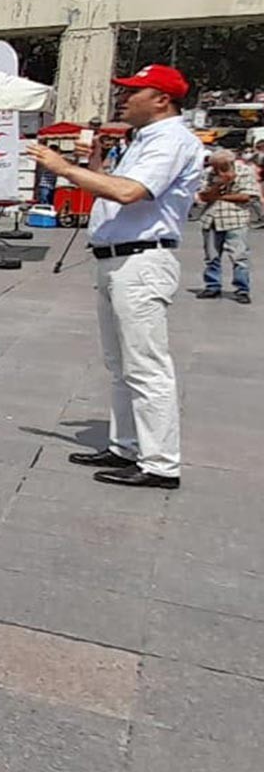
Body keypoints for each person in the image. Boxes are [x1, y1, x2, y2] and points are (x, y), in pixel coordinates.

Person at [27, 65, 203, 491]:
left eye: (132, 92)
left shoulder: (172, 140)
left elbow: (129, 193)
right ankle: (125, 444)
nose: (122, 99)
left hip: (141, 261)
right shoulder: (145, 140)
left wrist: (63, 168)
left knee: (146, 366)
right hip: (117, 258)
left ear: (162, 98)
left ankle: (160, 462)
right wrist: (94, 162)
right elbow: (116, 184)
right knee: (120, 364)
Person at [196, 148, 255, 304]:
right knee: (212, 256)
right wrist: (218, 185)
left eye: (221, 166)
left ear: (230, 163)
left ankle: (242, 289)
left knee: (239, 256)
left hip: (236, 218)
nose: (217, 170)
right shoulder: (208, 173)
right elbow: (202, 196)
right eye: (215, 166)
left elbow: (245, 196)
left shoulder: (244, 171)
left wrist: (220, 196)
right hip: (212, 218)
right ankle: (212, 285)